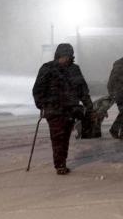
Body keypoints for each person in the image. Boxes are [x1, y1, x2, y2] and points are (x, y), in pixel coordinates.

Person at [32, 43, 93, 175]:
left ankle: (61, 161)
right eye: (64, 56)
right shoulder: (47, 68)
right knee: (57, 137)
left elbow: (83, 90)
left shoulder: (74, 69)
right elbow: (38, 89)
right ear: (58, 55)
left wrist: (89, 105)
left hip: (71, 110)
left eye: (68, 56)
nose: (66, 59)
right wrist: (41, 104)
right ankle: (60, 164)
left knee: (65, 137)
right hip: (54, 110)